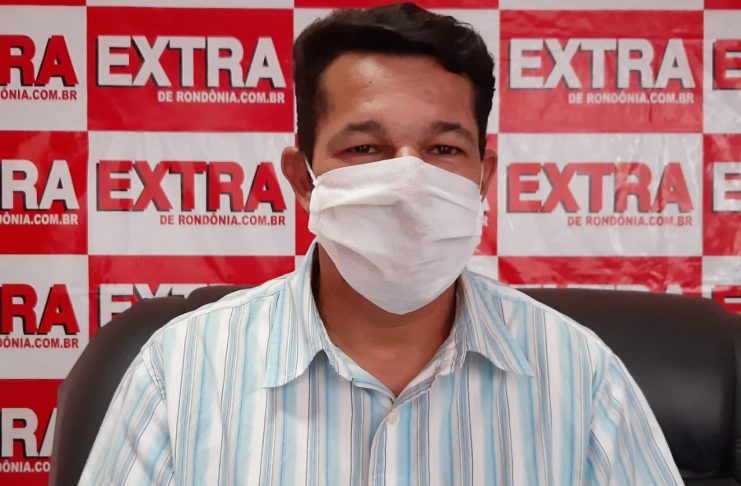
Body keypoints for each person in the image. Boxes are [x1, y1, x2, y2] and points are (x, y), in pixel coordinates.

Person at [80, 3, 682, 484]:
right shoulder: (183, 371)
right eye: (365, 148)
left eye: (444, 149)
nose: (408, 181)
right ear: (302, 180)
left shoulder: (580, 375)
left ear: (482, 179)